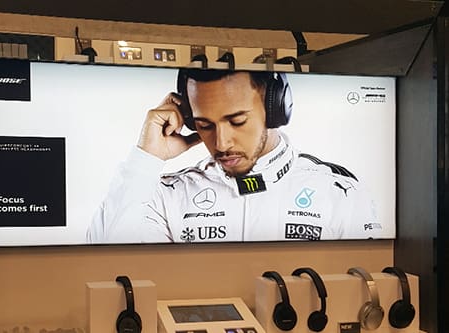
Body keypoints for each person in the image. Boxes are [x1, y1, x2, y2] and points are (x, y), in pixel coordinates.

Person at [86, 69, 382, 243]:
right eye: (204, 125)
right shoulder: (167, 196)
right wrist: (146, 159)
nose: (222, 143)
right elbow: (105, 267)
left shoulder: (339, 195)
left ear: (277, 108)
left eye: (237, 121)